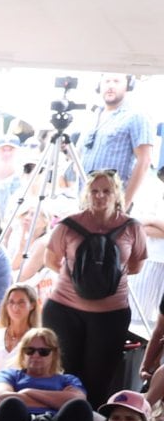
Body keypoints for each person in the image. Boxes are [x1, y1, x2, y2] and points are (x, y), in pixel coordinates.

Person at [45, 171, 146, 407]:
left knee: (98, 380)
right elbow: (51, 260)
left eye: (106, 191)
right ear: (86, 193)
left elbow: (137, 265)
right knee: (64, 375)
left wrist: (99, 280)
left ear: (116, 194)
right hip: (64, 310)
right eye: (94, 191)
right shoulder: (68, 224)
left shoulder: (132, 227)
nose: (100, 196)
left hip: (110, 315)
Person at [0, 283, 41, 383]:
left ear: (32, 305)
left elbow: (33, 379)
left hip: (19, 394)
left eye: (21, 302)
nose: (15, 307)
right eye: (11, 302)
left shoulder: (38, 340)